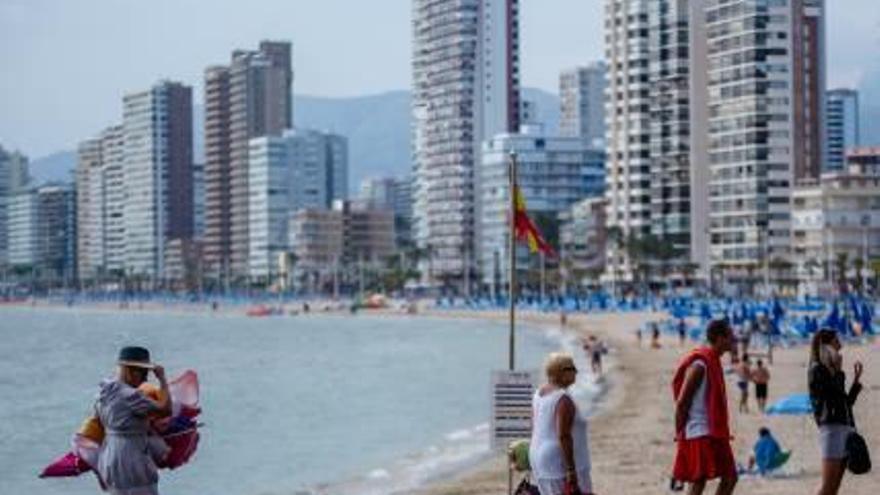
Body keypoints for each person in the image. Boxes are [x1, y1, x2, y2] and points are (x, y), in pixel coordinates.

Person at [671, 319, 738, 495]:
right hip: (699, 430)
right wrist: (679, 434)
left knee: (730, 477)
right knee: (698, 480)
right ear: (719, 338)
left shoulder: (714, 361)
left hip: (715, 430)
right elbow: (682, 403)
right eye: (729, 336)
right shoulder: (700, 365)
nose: (733, 339)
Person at [96, 346, 172, 495]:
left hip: (110, 453)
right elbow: (166, 409)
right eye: (142, 372)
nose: (145, 378)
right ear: (129, 370)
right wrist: (162, 378)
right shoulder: (131, 396)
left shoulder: (105, 391)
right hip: (131, 457)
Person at [808, 329, 864, 495]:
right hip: (831, 429)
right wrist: (838, 373)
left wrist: (855, 382)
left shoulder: (831, 369)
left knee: (834, 488)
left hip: (844, 428)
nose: (840, 343)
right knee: (827, 487)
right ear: (826, 345)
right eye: (836, 340)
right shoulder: (817, 369)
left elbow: (845, 403)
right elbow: (829, 400)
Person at [529, 352, 595, 495]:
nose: (576, 372)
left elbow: (535, 427)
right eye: (572, 369)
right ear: (561, 372)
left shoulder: (538, 394)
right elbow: (563, 435)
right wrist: (570, 469)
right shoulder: (563, 399)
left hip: (538, 455)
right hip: (557, 460)